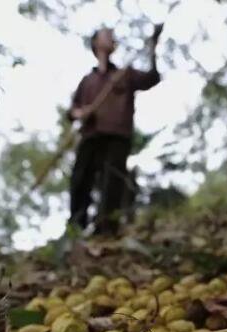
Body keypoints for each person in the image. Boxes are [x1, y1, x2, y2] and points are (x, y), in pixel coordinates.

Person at [67, 26, 162, 234]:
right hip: (91, 136)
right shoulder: (87, 81)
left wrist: (153, 49)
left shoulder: (124, 75)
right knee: (80, 180)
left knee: (113, 183)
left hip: (118, 136)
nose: (111, 36)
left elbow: (152, 79)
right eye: (105, 34)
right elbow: (72, 110)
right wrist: (81, 113)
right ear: (95, 43)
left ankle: (106, 231)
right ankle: (76, 228)